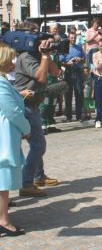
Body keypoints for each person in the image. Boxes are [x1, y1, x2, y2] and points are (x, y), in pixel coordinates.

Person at [14, 21, 61, 197]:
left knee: (36, 143)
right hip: (26, 107)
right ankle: (26, 183)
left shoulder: (36, 54)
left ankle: (39, 176)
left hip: (33, 105)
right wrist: (44, 56)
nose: (39, 36)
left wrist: (47, 55)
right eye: (34, 33)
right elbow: (41, 77)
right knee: (38, 145)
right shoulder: (26, 57)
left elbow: (55, 73)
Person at [0, 43, 30, 236]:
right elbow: (13, 111)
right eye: (10, 59)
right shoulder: (1, 83)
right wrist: (26, 128)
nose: (13, 63)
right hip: (4, 135)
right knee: (3, 180)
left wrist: (18, 95)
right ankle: (3, 219)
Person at [60, 32, 85, 122]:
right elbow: (61, 61)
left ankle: (79, 115)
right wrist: (68, 63)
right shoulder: (65, 47)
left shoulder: (79, 47)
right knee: (68, 95)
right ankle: (68, 116)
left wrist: (80, 59)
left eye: (74, 38)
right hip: (68, 72)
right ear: (68, 38)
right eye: (71, 38)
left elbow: (84, 59)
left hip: (78, 72)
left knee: (79, 94)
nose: (73, 39)